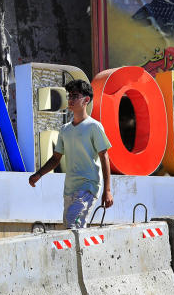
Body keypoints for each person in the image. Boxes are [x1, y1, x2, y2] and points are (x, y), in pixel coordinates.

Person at [28, 79, 113, 229]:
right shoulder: (65, 129)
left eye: (75, 96)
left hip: (88, 187)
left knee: (73, 227)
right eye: (69, 96)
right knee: (70, 228)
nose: (70, 99)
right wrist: (39, 174)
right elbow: (56, 158)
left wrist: (107, 190)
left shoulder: (94, 126)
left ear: (86, 100)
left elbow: (104, 156)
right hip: (69, 189)